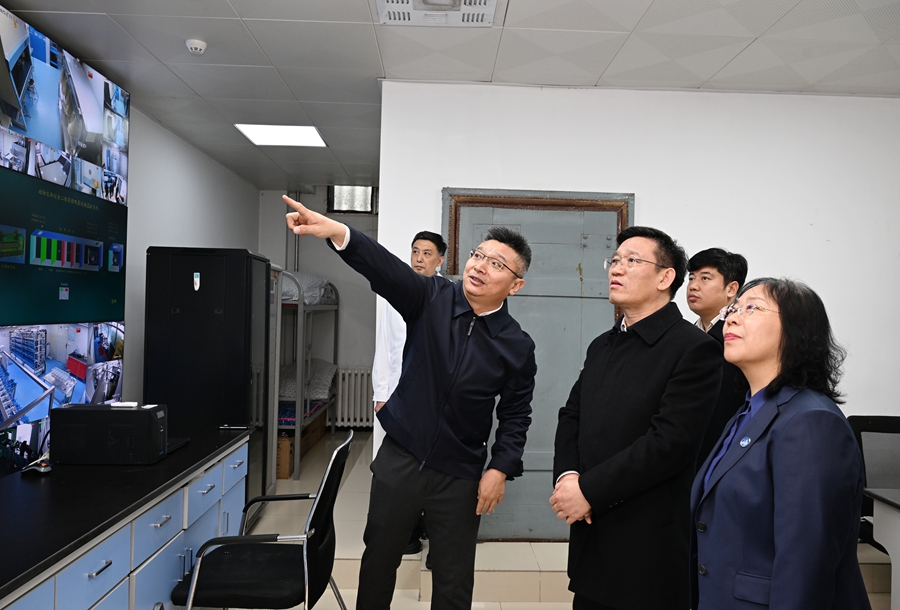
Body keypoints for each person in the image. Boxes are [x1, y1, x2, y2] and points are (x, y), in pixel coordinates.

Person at [283, 195, 537, 610]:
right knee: (379, 561)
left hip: (460, 473)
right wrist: (339, 233)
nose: (478, 266)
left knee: (454, 577)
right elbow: (385, 269)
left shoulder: (517, 345)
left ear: (516, 285)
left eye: (496, 263)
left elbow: (516, 413)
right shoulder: (431, 298)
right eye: (477, 255)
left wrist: (500, 467)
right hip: (400, 459)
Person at [551, 226, 722, 610]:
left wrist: (589, 491)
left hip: (647, 542)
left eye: (632, 261)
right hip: (591, 532)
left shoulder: (694, 349)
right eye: (614, 261)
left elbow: (669, 443)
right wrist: (568, 478)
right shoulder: (602, 345)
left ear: (665, 277)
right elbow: (572, 415)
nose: (617, 268)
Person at [691, 278, 870, 609]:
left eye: (752, 308)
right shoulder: (747, 412)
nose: (731, 318)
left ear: (796, 330)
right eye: (733, 309)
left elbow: (806, 567)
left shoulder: (811, 422)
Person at [371, 230, 446, 556]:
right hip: (398, 396)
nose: (419, 258)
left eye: (427, 253)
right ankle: (409, 532)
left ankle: (431, 527)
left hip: (433, 397)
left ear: (440, 259)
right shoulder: (396, 292)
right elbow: (385, 345)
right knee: (402, 466)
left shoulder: (449, 296)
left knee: (433, 463)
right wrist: (380, 393)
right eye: (415, 251)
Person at [686, 248, 750, 469]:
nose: (693, 286)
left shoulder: (741, 337)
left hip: (726, 455)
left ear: (731, 288)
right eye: (691, 278)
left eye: (705, 278)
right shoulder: (683, 337)